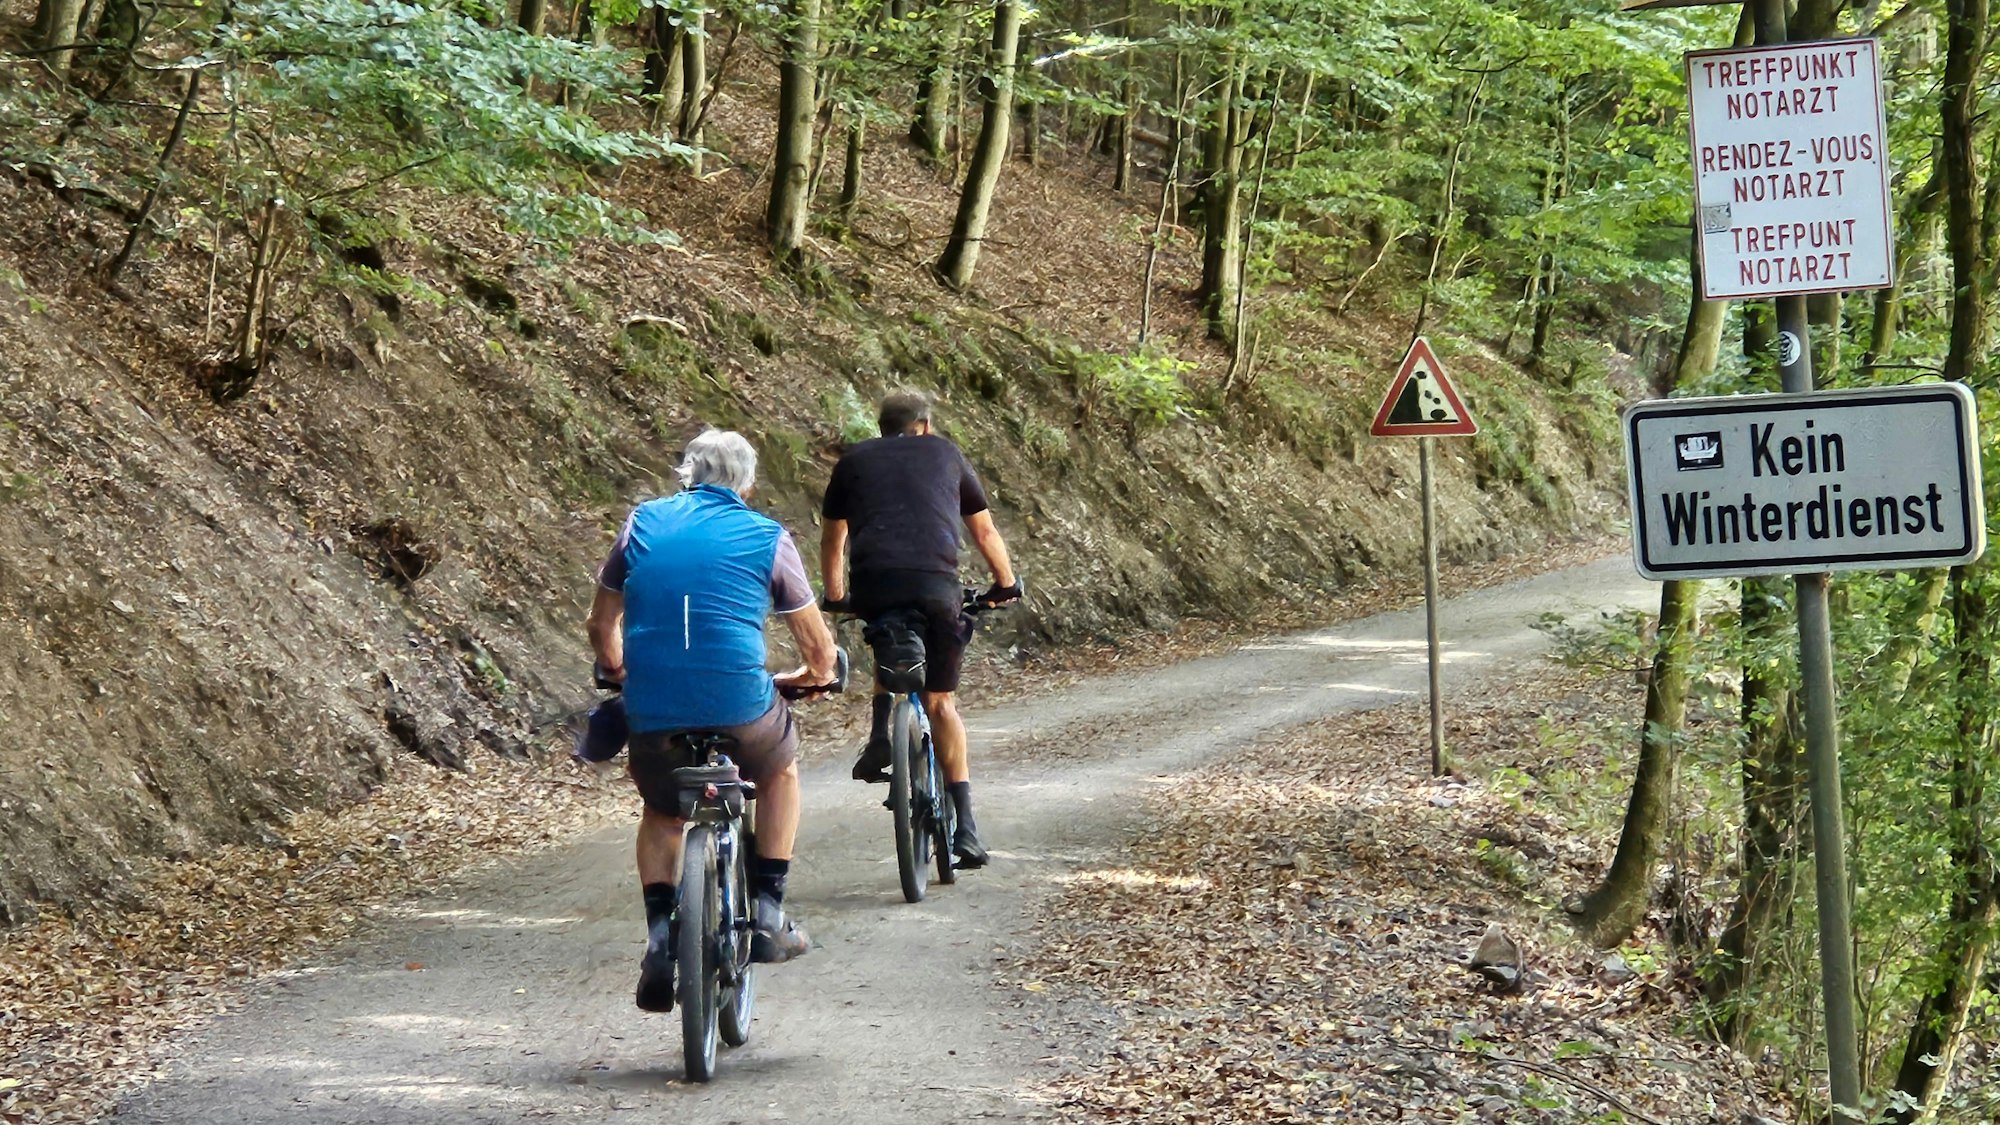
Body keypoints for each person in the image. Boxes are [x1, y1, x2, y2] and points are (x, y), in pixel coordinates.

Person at [587, 429, 839, 1012]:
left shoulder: (641, 524)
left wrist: (620, 670)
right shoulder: (767, 537)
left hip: (654, 708)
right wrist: (812, 677)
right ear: (748, 483)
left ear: (688, 474)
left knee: (660, 807)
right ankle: (770, 909)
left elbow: (603, 627)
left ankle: (658, 934)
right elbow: (818, 651)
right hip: (742, 705)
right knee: (779, 773)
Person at [819, 390, 1021, 869]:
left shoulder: (854, 460)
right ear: (925, 425)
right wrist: (1005, 584)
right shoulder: (946, 453)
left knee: (886, 635)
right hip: (936, 588)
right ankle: (967, 830)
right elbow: (984, 531)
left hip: (876, 583)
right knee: (940, 702)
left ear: (881, 425)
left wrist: (834, 595)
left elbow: (834, 535)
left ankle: (878, 736)